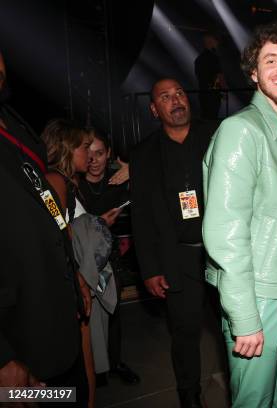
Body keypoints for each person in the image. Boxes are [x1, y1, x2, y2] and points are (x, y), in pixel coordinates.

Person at [202, 22, 277, 407]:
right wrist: (244, 315)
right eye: (270, 60)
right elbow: (226, 231)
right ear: (253, 72)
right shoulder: (241, 131)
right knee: (255, 401)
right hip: (260, 293)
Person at [0, 50, 88, 407]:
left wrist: (74, 267)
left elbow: (47, 201)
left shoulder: (14, 123)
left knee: (69, 397)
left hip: (54, 323)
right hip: (15, 345)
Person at [130, 78, 218, 408]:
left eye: (179, 93)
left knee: (235, 328)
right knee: (184, 334)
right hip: (177, 258)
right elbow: (140, 216)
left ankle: (245, 388)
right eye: (165, 97)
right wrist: (150, 269)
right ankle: (189, 397)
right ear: (154, 109)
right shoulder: (143, 154)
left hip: (223, 256)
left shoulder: (217, 134)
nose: (176, 100)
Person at [43, 119, 123, 408]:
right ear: (67, 149)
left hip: (75, 279)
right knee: (77, 366)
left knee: (84, 363)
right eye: (83, 147)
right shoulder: (53, 182)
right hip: (70, 283)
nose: (89, 154)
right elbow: (57, 229)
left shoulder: (67, 182)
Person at [78, 129, 140, 385]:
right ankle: (94, 367)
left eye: (100, 153)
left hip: (110, 254)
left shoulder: (120, 176)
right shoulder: (74, 181)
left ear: (109, 154)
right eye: (88, 153)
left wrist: (134, 171)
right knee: (87, 312)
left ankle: (113, 363)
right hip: (82, 257)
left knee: (113, 309)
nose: (94, 160)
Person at [194, 33, 225, 119]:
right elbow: (219, 75)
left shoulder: (198, 59)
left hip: (203, 92)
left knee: (205, 116)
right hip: (213, 94)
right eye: (215, 41)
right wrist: (224, 89)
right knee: (213, 116)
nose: (217, 43)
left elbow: (198, 76)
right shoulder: (214, 58)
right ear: (210, 42)